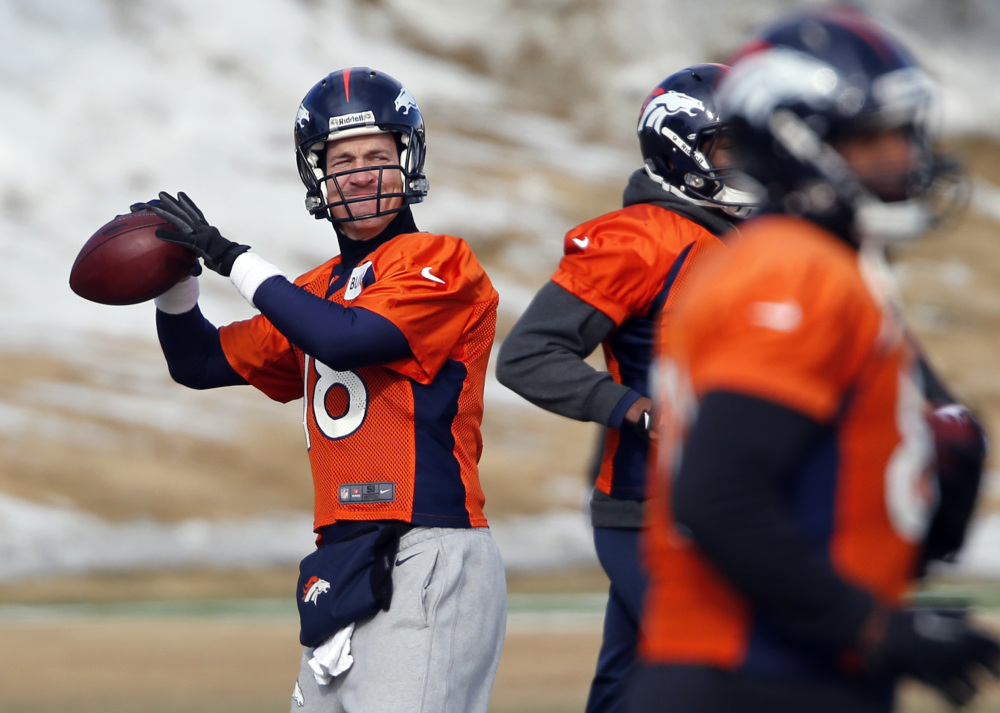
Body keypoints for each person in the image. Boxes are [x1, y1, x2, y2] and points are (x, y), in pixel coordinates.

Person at [630, 7, 1000, 713]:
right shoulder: (792, 271)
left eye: (900, 132)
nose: (897, 155)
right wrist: (872, 627)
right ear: (789, 140)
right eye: (866, 136)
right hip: (750, 670)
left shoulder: (814, 263)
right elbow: (721, 496)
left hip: (775, 664)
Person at [135, 67, 506, 713]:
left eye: (377, 156)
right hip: (341, 557)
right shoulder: (314, 291)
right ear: (317, 175)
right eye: (343, 161)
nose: (361, 173)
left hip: (426, 547)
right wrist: (175, 279)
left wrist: (232, 257)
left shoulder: (440, 261)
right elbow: (197, 361)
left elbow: (347, 339)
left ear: (407, 161)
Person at [495, 64, 758, 713]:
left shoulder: (759, 237)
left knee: (628, 689)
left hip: (728, 507)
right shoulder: (639, 239)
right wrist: (632, 408)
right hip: (650, 511)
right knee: (729, 676)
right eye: (729, 146)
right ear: (681, 148)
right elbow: (528, 354)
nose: (748, 161)